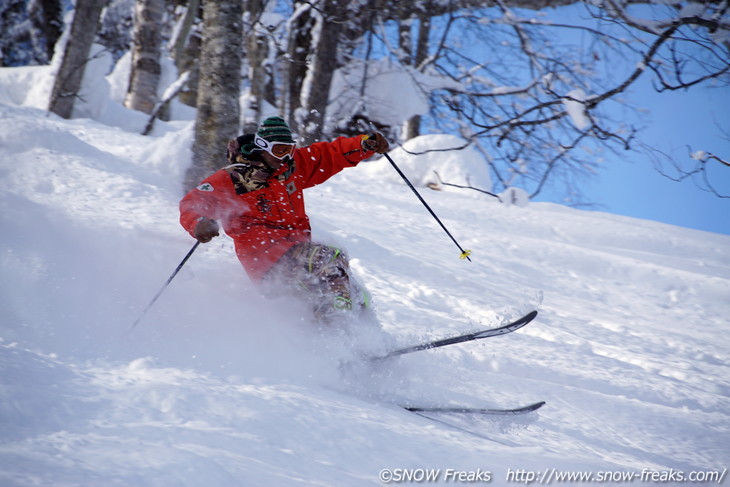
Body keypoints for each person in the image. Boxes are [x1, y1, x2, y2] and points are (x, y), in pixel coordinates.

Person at [180, 116, 389, 324]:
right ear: (262, 146)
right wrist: (199, 223)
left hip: (297, 254)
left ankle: (352, 337)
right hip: (265, 259)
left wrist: (364, 144)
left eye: (289, 149)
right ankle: (342, 327)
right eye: (279, 150)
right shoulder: (232, 179)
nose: (285, 156)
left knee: (349, 287)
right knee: (326, 258)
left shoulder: (291, 169)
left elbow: (327, 155)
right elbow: (193, 203)